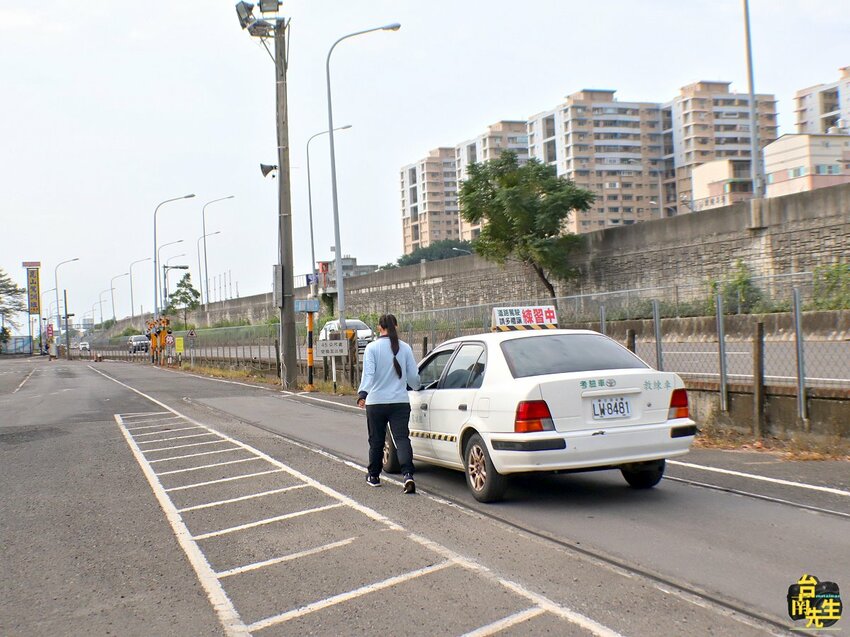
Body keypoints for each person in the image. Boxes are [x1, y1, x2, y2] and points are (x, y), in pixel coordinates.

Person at [357, 314, 420, 494]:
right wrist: (417, 387)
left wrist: (363, 394)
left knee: (376, 440)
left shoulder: (372, 348)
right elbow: (414, 377)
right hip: (400, 401)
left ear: (379, 328)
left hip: (376, 402)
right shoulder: (406, 348)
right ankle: (408, 475)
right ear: (396, 326)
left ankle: (374, 476)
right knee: (401, 439)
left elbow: (368, 375)